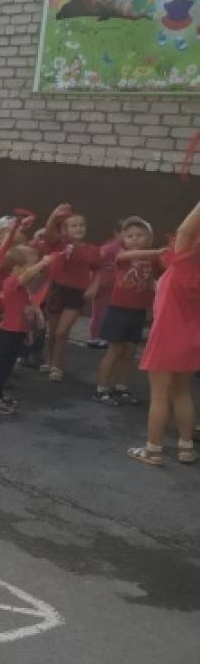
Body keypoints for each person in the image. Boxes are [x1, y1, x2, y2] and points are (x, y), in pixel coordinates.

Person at [129, 199, 200, 466]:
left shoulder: (183, 263)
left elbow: (185, 230)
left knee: (159, 395)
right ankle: (185, 448)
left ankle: (153, 450)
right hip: (193, 340)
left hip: (167, 337)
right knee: (182, 393)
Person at [93, 218, 163, 407]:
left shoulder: (153, 260)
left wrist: (150, 308)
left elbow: (153, 283)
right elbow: (124, 257)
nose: (134, 239)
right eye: (129, 236)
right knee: (114, 350)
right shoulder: (123, 255)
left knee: (130, 352)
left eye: (139, 235)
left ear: (149, 238)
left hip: (138, 311)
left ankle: (122, 387)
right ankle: (101, 389)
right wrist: (158, 252)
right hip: (119, 309)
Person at [0, 246, 55, 415]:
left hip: (17, 332)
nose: (34, 271)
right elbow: (26, 276)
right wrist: (43, 263)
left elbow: (24, 311)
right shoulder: (12, 282)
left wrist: (28, 332)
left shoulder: (23, 289)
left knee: (8, 366)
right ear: (16, 268)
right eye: (30, 266)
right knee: (1, 367)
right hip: (8, 332)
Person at [36, 203, 101, 382]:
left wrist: (94, 287)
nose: (78, 228)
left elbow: (98, 270)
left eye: (81, 225)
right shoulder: (59, 243)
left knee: (62, 331)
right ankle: (50, 360)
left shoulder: (92, 250)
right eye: (74, 225)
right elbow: (49, 233)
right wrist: (54, 214)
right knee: (53, 329)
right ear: (65, 229)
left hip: (77, 293)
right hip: (57, 290)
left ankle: (57, 365)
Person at [0, 211, 36, 367]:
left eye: (12, 228)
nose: (13, 231)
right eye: (6, 229)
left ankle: (6, 353)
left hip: (15, 295)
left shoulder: (19, 250)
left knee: (14, 324)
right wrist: (17, 226)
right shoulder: (0, 247)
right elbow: (9, 241)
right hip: (1, 295)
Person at [88, 221, 123, 349]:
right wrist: (94, 282)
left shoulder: (125, 249)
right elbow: (96, 261)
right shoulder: (110, 247)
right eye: (125, 233)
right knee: (99, 312)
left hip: (115, 286)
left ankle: (104, 336)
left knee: (110, 312)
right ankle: (94, 336)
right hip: (103, 285)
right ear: (117, 233)